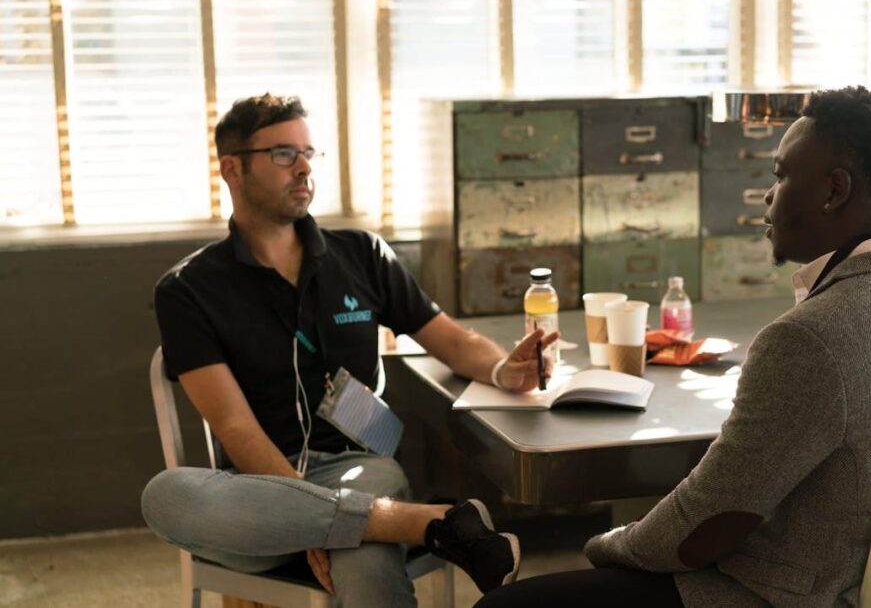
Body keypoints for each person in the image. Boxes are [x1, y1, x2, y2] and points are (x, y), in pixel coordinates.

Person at [476, 86, 871, 608]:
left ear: (834, 191)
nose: (767, 195)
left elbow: (704, 527)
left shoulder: (810, 339)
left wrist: (607, 545)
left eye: (780, 175)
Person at [141, 93, 558, 608]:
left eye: (308, 154)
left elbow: (447, 337)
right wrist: (312, 517)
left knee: (363, 556)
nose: (302, 168)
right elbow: (236, 430)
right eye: (282, 154)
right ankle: (433, 523)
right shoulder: (187, 290)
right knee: (166, 496)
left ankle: (379, 523)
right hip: (256, 495)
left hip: (360, 467)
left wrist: (502, 368)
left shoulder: (360, 254)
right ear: (232, 169)